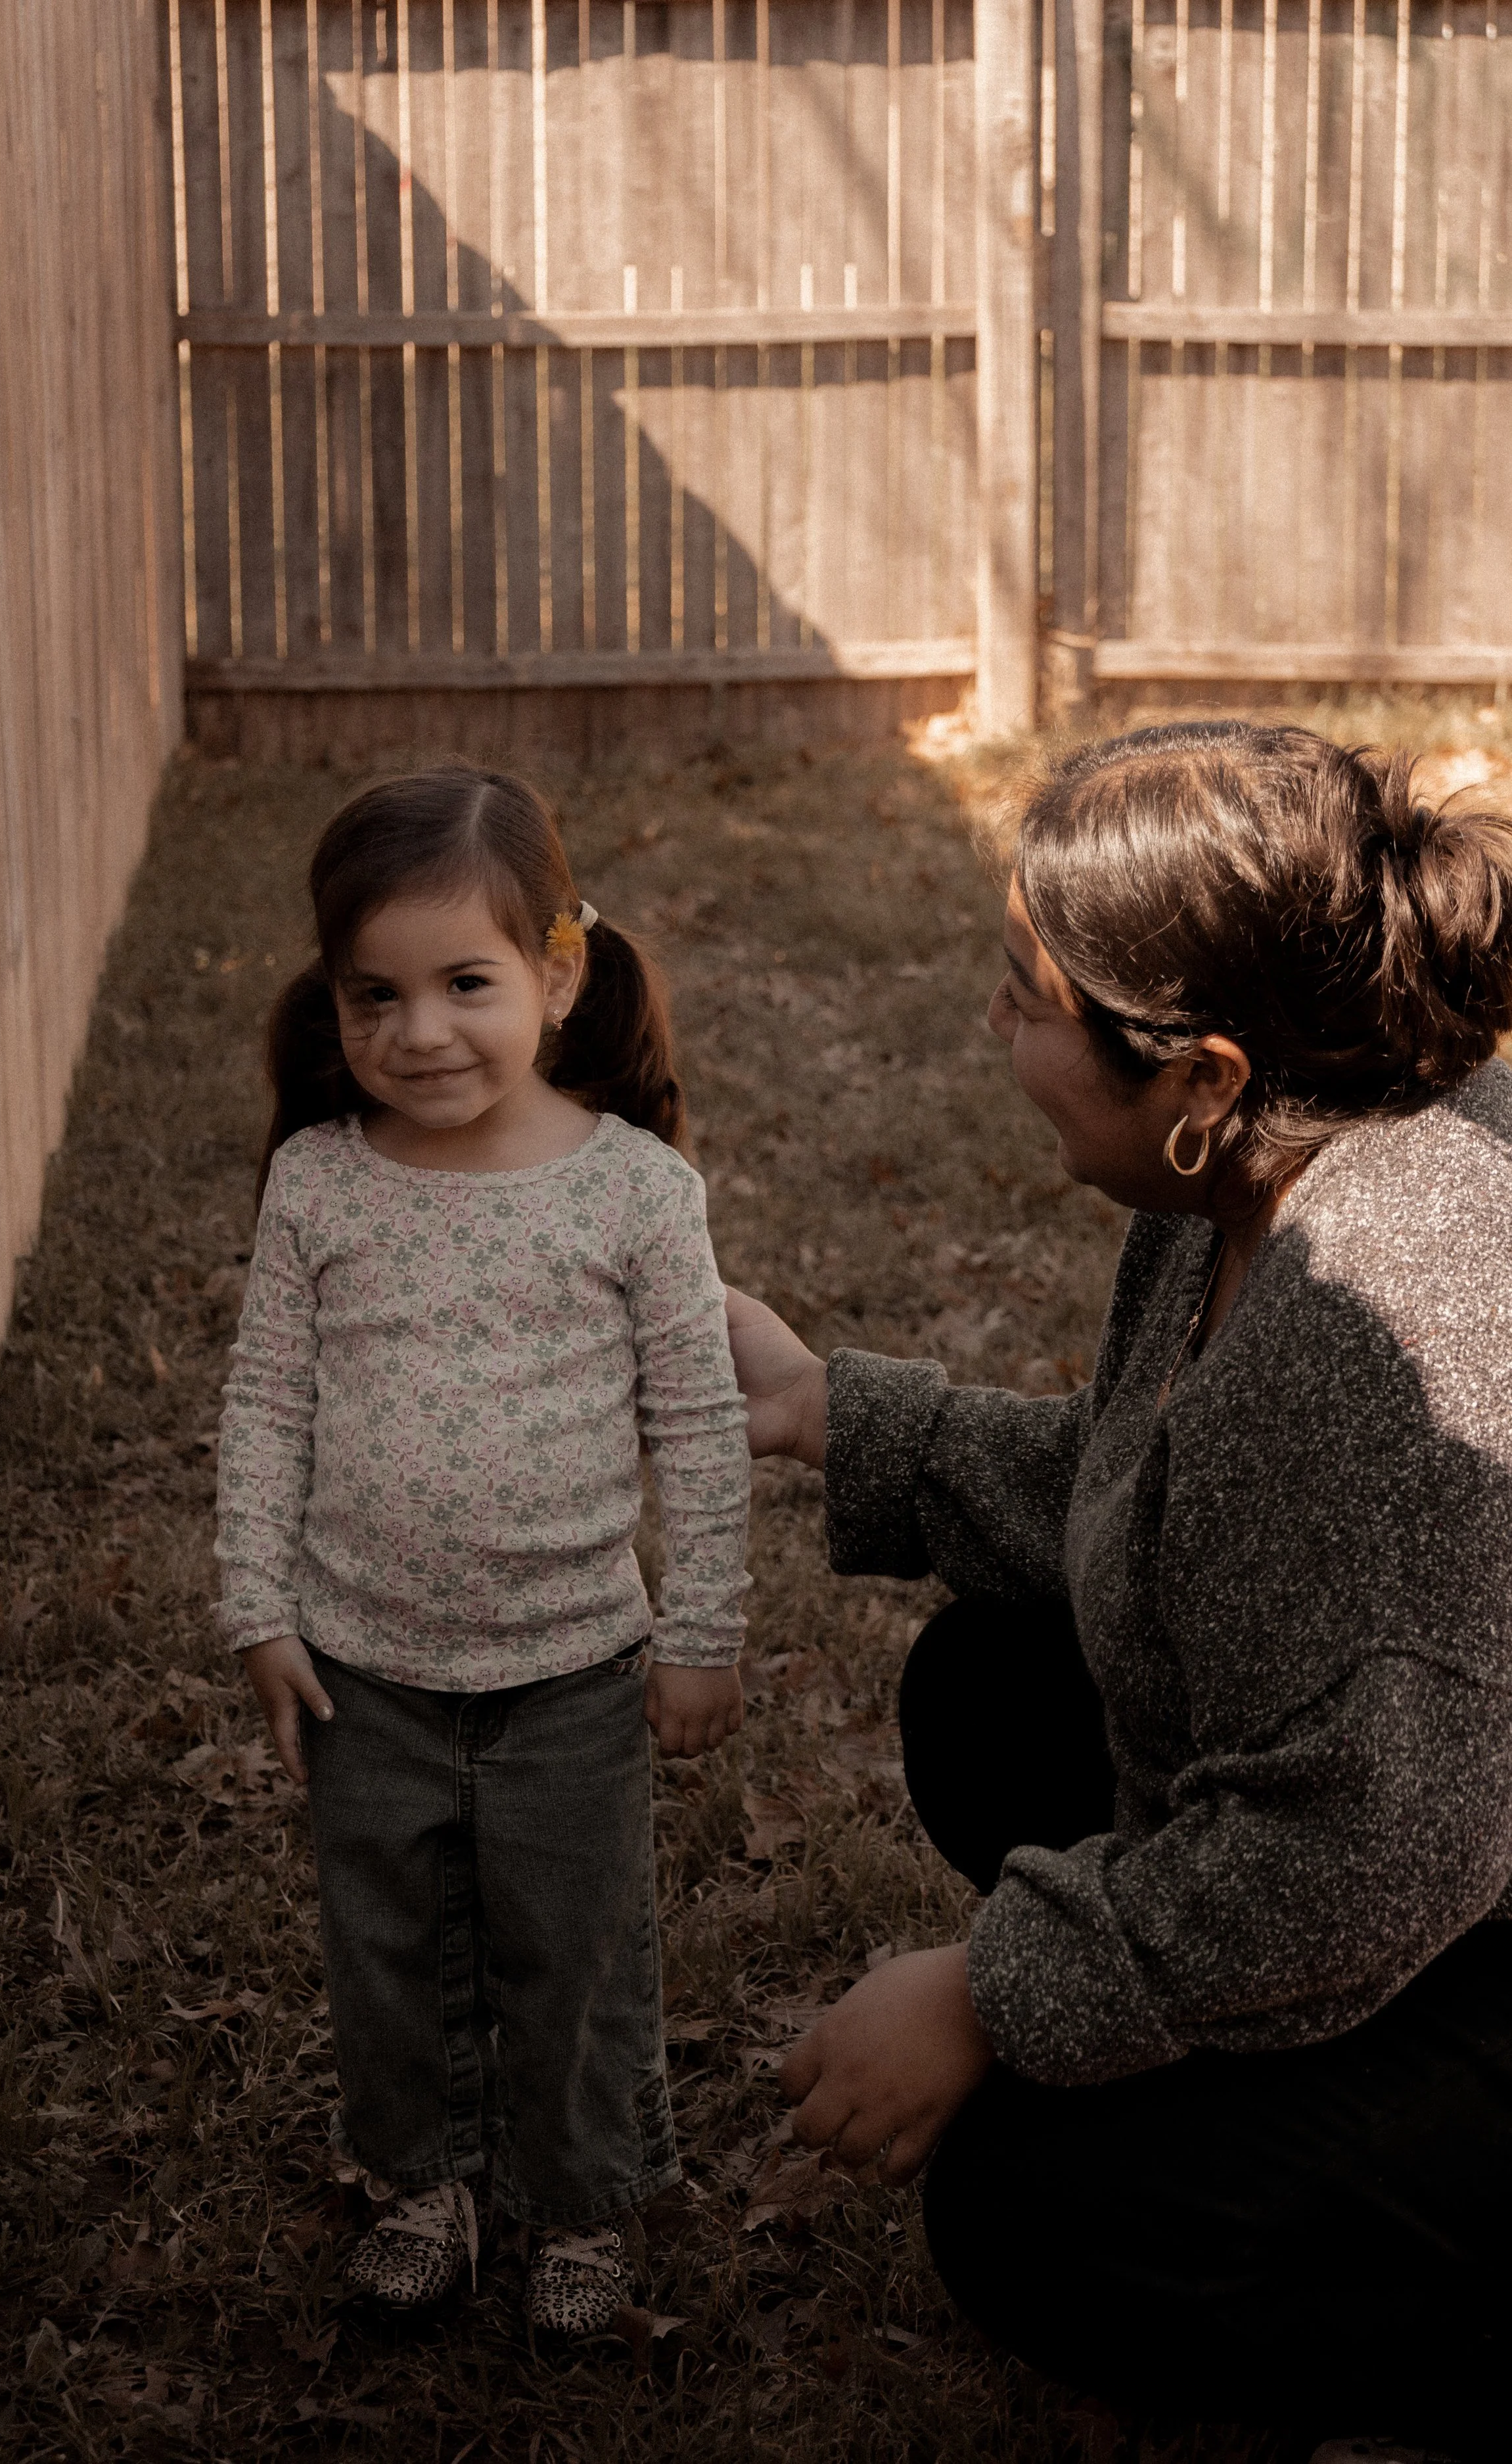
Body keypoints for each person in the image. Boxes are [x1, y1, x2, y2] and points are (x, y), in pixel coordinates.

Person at [724, 722, 1512, 2458]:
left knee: (1037, 2212)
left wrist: (992, 1988)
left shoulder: (1374, 1333)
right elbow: (1154, 1503)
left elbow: (1369, 1846)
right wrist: (830, 1413)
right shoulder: (1275, 1138)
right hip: (1425, 1811)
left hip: (1463, 1886)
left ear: (1200, 1069)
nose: (992, 1028)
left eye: (1024, 996)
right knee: (986, 1689)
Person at [216, 767, 750, 2335]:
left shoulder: (634, 1194)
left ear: (558, 978)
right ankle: (423, 2185)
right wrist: (259, 1605)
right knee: (386, 1947)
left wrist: (702, 1627)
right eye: (373, 994)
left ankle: (579, 2208)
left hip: (573, 1667)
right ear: (331, 996)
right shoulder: (321, 1182)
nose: (419, 1032)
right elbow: (262, 1407)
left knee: (570, 1953)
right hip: (361, 1669)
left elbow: (700, 1424)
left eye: (466, 984)